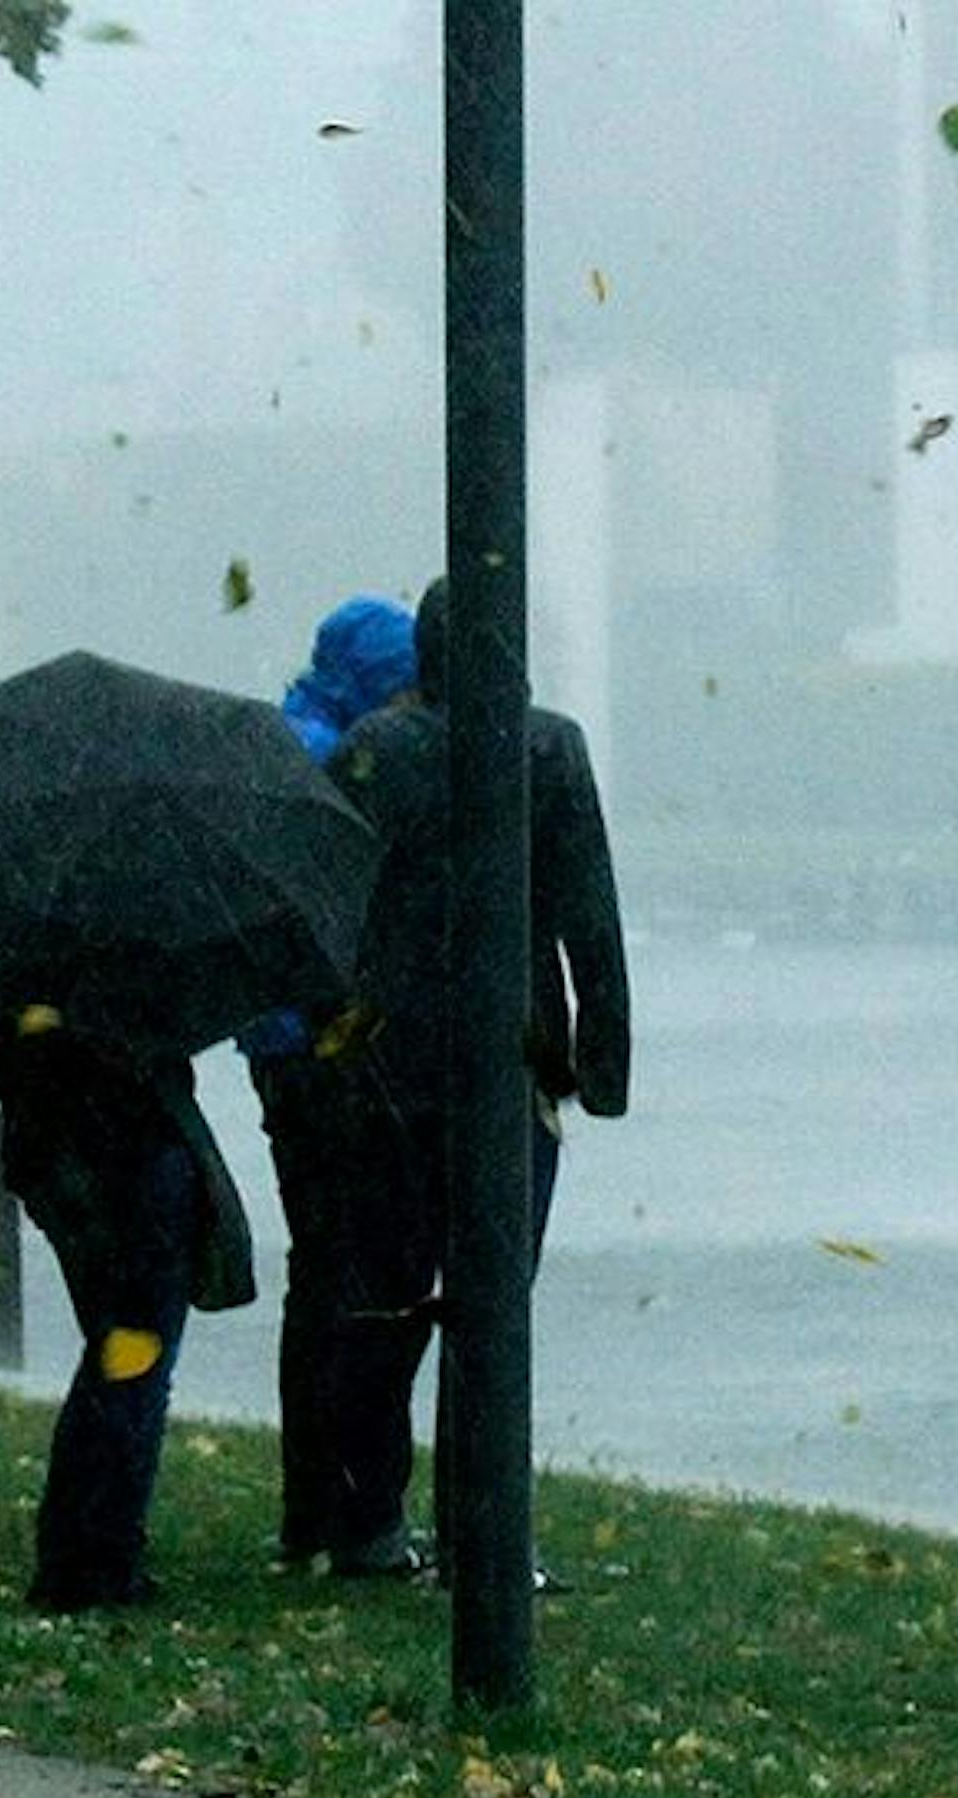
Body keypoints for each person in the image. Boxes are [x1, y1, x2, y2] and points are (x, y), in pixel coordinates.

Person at [325, 575, 631, 1585]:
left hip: (388, 1057)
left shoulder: (376, 746)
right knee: (492, 1303)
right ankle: (480, 1533)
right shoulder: (549, 746)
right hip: (511, 1055)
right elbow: (589, 915)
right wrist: (602, 1063)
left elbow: (340, 903)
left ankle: (368, 1518)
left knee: (385, 1298)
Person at [236, 594, 424, 1573]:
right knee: (350, 1277)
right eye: (396, 684)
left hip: (280, 1047)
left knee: (321, 1275)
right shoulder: (329, 761)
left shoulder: (287, 737)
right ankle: (340, 1507)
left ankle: (315, 1506)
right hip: (319, 1052)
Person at [0, 1004, 253, 1612]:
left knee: (113, 1357)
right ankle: (98, 1561)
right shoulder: (126, 977)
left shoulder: (23, 978)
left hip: (66, 1166)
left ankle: (76, 1552)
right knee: (133, 1366)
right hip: (133, 1163)